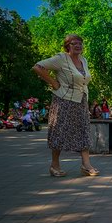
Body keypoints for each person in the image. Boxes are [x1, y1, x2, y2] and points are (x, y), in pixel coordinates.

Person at [32, 34, 99, 177]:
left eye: (80, 43)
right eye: (74, 43)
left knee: (84, 131)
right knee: (59, 131)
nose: (78, 45)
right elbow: (38, 67)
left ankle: (86, 165)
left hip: (81, 100)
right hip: (63, 100)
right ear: (67, 45)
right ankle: (54, 165)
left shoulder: (83, 60)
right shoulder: (61, 59)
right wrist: (53, 83)